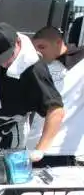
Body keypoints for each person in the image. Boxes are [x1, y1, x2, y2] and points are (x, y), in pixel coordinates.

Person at [0, 22, 64, 159]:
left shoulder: (33, 68)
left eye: (6, 57)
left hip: (10, 145)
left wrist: (40, 150)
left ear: (18, 43)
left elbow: (56, 111)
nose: (4, 63)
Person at [27, 26, 84, 163]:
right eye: (35, 48)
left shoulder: (80, 63)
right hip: (32, 145)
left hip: (63, 150)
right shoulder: (37, 65)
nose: (38, 52)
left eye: (42, 47)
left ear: (58, 42)